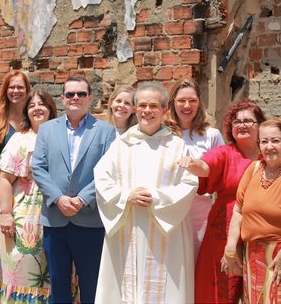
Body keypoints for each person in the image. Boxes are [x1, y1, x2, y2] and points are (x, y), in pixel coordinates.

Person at [94, 81, 198, 303]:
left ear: (164, 110)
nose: (147, 111)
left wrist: (156, 198)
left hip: (164, 229)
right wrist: (125, 197)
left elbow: (189, 183)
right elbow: (101, 178)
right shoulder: (121, 144)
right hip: (127, 226)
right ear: (135, 108)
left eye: (153, 106)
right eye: (142, 105)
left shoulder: (177, 146)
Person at [32, 75, 116, 303]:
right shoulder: (47, 130)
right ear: (62, 99)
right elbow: (38, 168)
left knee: (91, 286)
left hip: (89, 219)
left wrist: (82, 199)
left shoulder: (106, 132)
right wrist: (58, 198)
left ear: (90, 98)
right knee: (58, 286)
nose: (75, 98)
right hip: (55, 219)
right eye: (70, 94)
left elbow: (108, 170)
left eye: (81, 94)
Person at [177, 100, 266, 303]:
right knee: (220, 290)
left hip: (260, 231)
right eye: (236, 121)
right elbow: (205, 166)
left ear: (260, 124)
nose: (241, 125)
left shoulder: (268, 153)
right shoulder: (225, 152)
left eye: (248, 121)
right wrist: (192, 164)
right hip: (224, 231)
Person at [222, 119, 281, 303]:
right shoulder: (254, 169)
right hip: (251, 256)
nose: (269, 146)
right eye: (264, 141)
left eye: (275, 141)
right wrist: (230, 248)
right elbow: (238, 211)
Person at [0, 90, 58, 303]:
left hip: (58, 215)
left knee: (56, 272)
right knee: (24, 270)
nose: (37, 108)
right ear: (26, 111)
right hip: (25, 216)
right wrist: (5, 214)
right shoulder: (19, 140)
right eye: (32, 105)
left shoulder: (61, 136)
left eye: (42, 104)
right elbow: (3, 178)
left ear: (51, 109)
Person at [163, 78, 224, 260]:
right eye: (181, 100)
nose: (187, 106)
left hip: (200, 211)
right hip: (168, 208)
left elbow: (220, 174)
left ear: (199, 102)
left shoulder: (212, 135)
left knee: (198, 263)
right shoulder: (162, 134)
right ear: (173, 102)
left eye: (192, 100)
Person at [0, 71, 31, 177]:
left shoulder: (32, 120)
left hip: (24, 186)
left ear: (27, 90)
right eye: (11, 87)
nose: (15, 91)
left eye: (20, 87)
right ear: (6, 90)